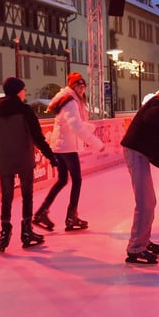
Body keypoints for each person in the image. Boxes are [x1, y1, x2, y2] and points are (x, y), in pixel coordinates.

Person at [0, 76, 57, 252]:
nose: (25, 92)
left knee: (7, 196)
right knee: (27, 194)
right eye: (23, 89)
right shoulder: (25, 110)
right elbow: (37, 137)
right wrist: (51, 156)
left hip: (4, 158)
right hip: (24, 157)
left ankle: (5, 231)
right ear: (18, 91)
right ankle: (26, 231)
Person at [121, 78, 159, 265]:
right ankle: (135, 248)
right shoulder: (157, 104)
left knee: (150, 201)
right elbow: (149, 117)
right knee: (145, 203)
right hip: (136, 151)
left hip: (142, 152)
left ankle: (143, 240)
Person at [35, 72, 105, 232]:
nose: (82, 89)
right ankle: (71, 216)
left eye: (83, 86)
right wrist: (97, 143)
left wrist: (88, 127)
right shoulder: (70, 101)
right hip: (66, 148)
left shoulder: (68, 99)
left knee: (62, 180)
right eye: (78, 86)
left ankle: (41, 212)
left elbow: (70, 124)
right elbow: (76, 126)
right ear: (72, 87)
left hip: (60, 146)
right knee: (76, 180)